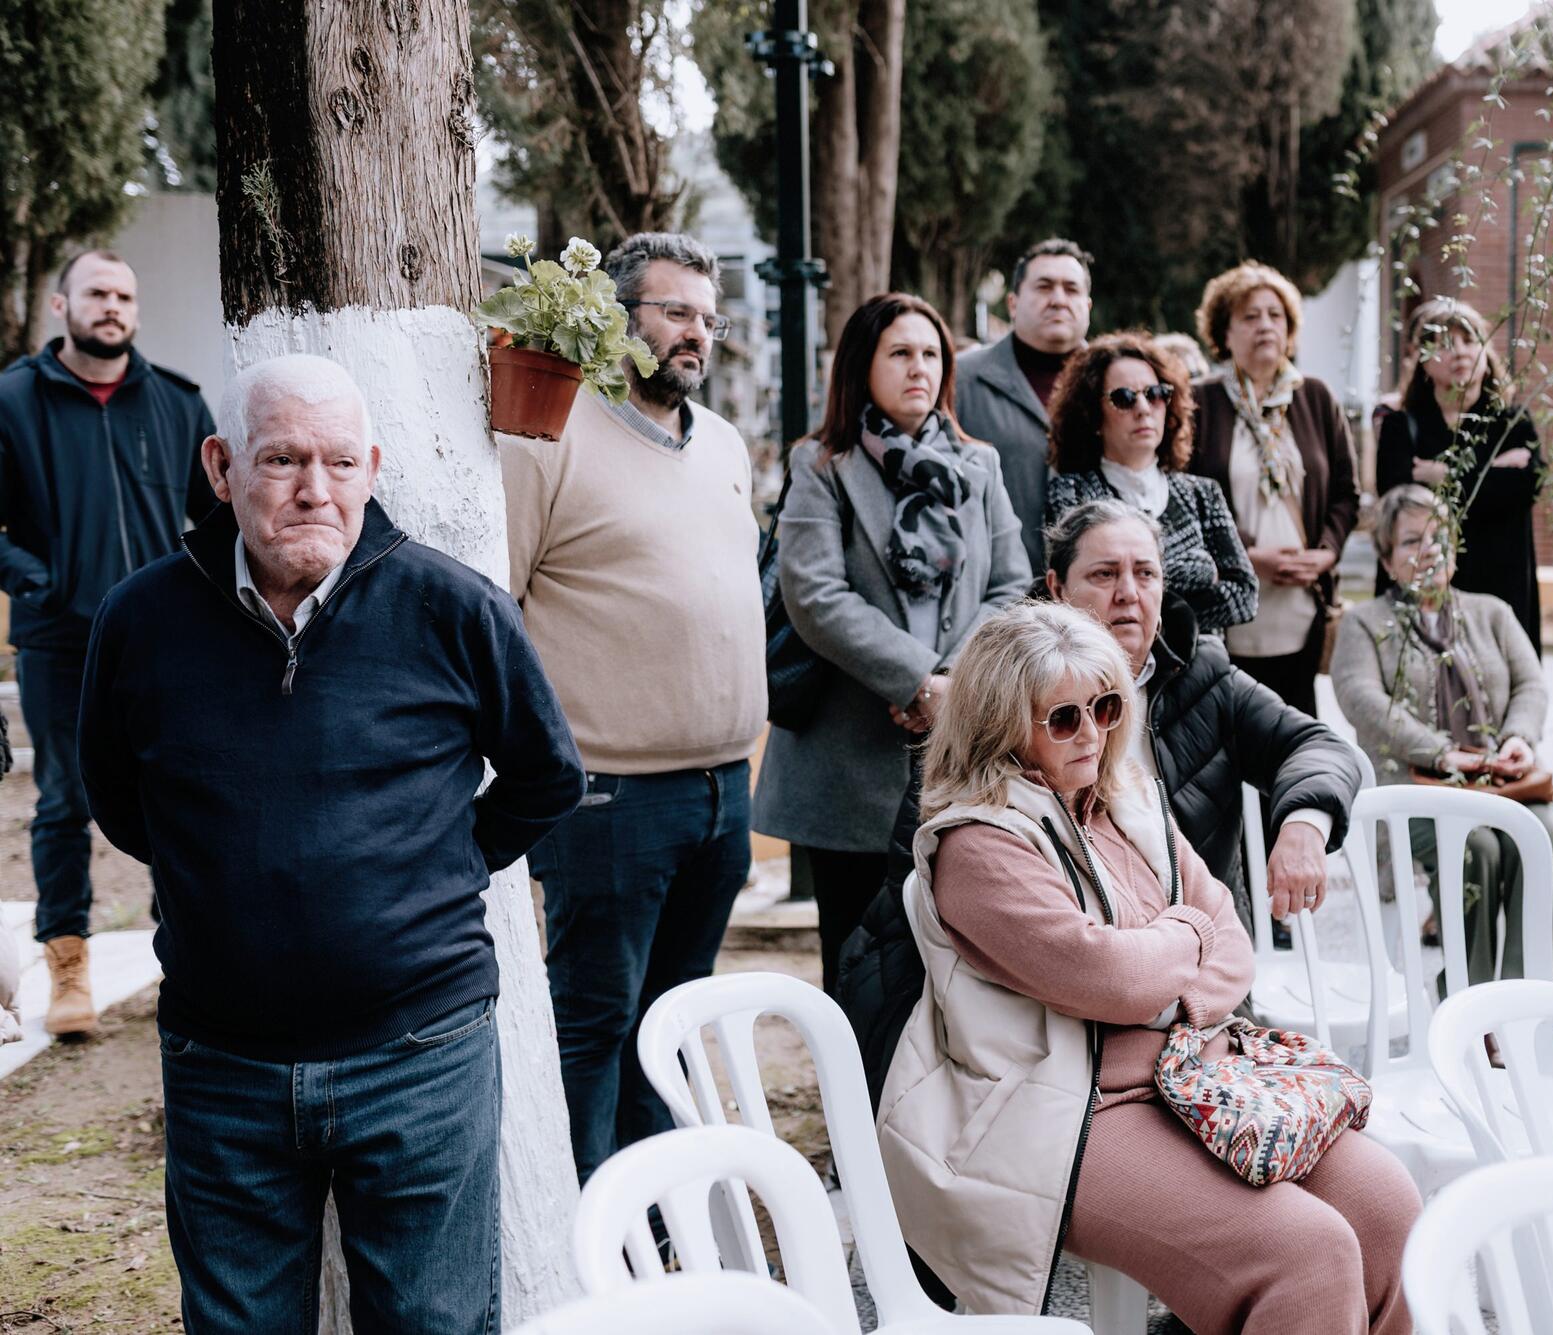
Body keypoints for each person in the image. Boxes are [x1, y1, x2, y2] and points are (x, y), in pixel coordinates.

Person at [76, 354, 584, 1333]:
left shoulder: (453, 607)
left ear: (372, 469)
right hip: (223, 1065)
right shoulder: (140, 619)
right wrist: (224, 878)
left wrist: (436, 868)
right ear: (221, 466)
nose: (316, 489)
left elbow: (547, 776)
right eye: (283, 460)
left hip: (421, 1057)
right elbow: (119, 800)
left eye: (341, 462)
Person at [877, 601, 1419, 1331]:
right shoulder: (978, 844)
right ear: (999, 725)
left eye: (1105, 707)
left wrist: (1166, 979)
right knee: (1306, 1251)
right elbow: (1114, 978)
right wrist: (1185, 935)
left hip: (1194, 1071)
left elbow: (1232, 948)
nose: (1093, 733)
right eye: (1062, 718)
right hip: (1072, 1106)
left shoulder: (1124, 797)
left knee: (1387, 1205)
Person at [841, 498, 1367, 1107]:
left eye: (1145, 573)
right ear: (1055, 587)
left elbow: (1319, 746)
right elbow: (937, 883)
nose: (1128, 594)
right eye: (1104, 573)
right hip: (1038, 1023)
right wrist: (1175, 952)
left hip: (1192, 999)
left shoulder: (1204, 676)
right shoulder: (996, 705)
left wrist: (1302, 822)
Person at [501, 231, 764, 1184]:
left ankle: (660, 1217)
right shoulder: (550, 434)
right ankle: (584, 1227)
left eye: (708, 319)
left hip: (722, 790)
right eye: (675, 312)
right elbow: (500, 607)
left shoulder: (724, 445)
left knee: (675, 1019)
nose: (696, 334)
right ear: (617, 317)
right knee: (595, 1022)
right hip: (608, 797)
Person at [754, 293, 1031, 993]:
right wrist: (915, 679)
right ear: (862, 366)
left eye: (931, 353)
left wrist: (951, 686)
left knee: (958, 968)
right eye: (900, 353)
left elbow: (1010, 584)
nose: (919, 368)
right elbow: (814, 594)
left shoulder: (980, 465)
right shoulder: (822, 465)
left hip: (958, 754)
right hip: (849, 760)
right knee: (855, 964)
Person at [0, 250, 217, 1036]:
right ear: (61, 305)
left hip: (164, 639)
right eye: (96, 292)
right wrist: (41, 583)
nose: (112, 306)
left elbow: (217, 520)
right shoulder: (12, 400)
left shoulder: (177, 404)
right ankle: (68, 970)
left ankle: (188, 959)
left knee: (179, 793)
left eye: (124, 294)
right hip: (59, 640)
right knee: (64, 800)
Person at [1332, 484, 1553, 994]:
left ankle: (1539, 996)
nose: (1428, 551)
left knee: (1542, 833)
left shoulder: (1491, 613)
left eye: (1438, 537)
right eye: (1411, 541)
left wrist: (1518, 738)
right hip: (1413, 793)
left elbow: (1530, 685)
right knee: (1475, 845)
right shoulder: (1363, 624)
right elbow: (1362, 700)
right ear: (1387, 560)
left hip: (1501, 781)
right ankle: (1471, 1000)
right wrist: (1443, 754)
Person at [1189, 261, 1361, 716]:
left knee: (1297, 738)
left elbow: (1346, 493)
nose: (1265, 325)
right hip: (1230, 608)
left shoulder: (1316, 397)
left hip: (1302, 606)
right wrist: (1246, 556)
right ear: (1224, 333)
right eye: (1249, 316)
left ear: (1290, 330)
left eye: (1275, 315)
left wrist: (1326, 552)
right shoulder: (1200, 403)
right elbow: (1184, 502)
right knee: (1231, 735)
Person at [1044, 332, 1256, 633]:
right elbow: (1075, 597)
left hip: (1201, 661)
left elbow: (1245, 596)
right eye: (1124, 398)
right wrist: (1199, 574)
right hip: (1109, 659)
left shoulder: (1201, 493)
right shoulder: (1071, 493)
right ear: (1092, 414)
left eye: (1155, 394)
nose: (1143, 408)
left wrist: (1139, 606)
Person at [1375, 297, 1546, 655]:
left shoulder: (1512, 422)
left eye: (1469, 340)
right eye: (1444, 344)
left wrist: (1443, 474)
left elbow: (1525, 487)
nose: (1460, 352)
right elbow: (1398, 497)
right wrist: (1490, 474)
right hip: (1424, 586)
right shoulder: (1401, 426)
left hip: (1502, 581)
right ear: (1423, 360)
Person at [954, 238, 1093, 573]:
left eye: (1071, 289)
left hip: (1096, 591)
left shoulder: (1118, 386)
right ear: (1013, 303)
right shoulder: (960, 381)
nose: (1058, 299)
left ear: (1087, 305)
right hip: (994, 587)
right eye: (1044, 287)